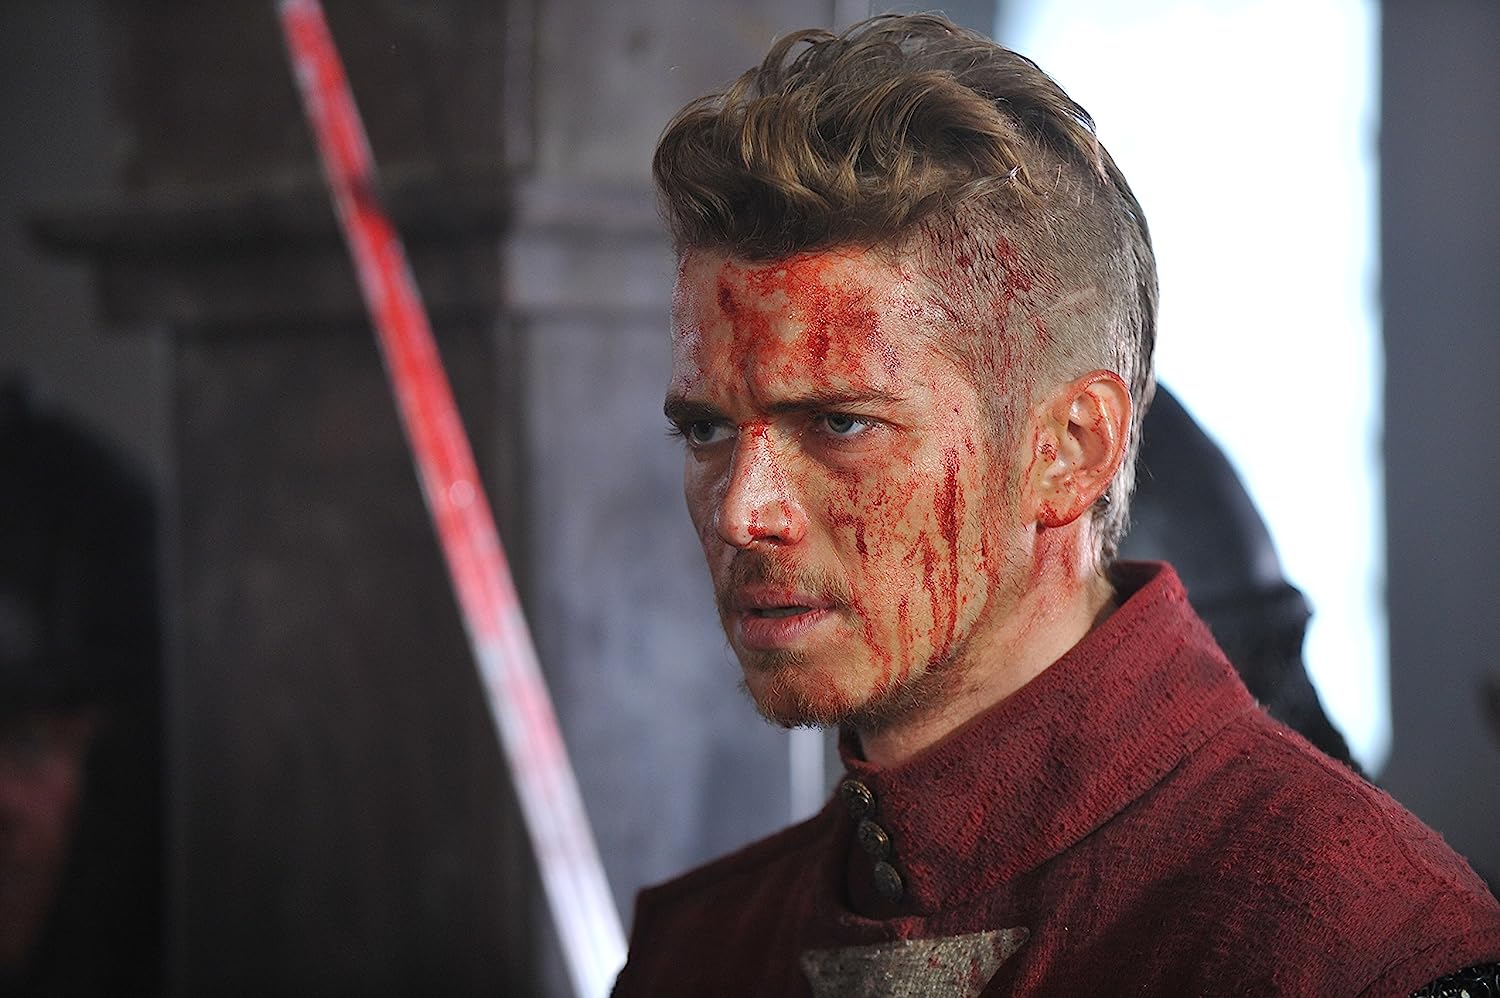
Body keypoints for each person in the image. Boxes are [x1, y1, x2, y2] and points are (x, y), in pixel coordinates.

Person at [612, 13, 1500, 997]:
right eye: (706, 429)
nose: (743, 512)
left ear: (1071, 449)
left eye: (841, 423)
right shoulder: (697, 954)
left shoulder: (1354, 945)